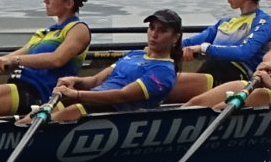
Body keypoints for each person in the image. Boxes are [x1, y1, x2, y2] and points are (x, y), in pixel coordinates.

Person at [0, 0, 94, 117]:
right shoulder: (44, 33)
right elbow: (11, 57)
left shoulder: (78, 29)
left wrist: (15, 61)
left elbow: (56, 60)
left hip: (40, 94)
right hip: (17, 85)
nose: (45, 0)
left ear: (69, 4)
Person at [171, 0, 271, 102]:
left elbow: (244, 52)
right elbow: (190, 42)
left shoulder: (264, 22)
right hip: (216, 74)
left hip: (243, 81)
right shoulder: (225, 23)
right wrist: (165, 47)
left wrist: (203, 48)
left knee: (217, 64)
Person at [51, 11, 186, 121]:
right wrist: (74, 81)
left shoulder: (163, 72)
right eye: (152, 28)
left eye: (162, 31)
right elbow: (95, 80)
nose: (154, 34)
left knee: (73, 109)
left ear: (175, 38)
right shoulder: (135, 54)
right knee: (41, 111)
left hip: (117, 113)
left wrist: (77, 94)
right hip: (92, 100)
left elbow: (122, 95)